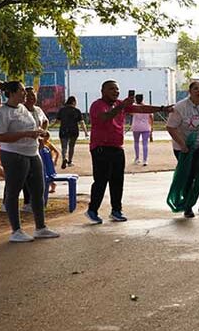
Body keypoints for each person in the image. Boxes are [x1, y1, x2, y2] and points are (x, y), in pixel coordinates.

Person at [86, 80, 170, 224]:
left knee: (117, 181)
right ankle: (92, 210)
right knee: (101, 181)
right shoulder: (97, 105)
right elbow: (105, 117)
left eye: (117, 89)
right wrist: (122, 106)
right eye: (111, 89)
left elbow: (141, 109)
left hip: (117, 147)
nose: (115, 92)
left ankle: (116, 210)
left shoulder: (120, 104)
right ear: (103, 91)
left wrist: (162, 108)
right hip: (100, 148)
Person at [0, 80, 59, 242]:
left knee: (38, 190)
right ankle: (16, 230)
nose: (25, 93)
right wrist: (26, 134)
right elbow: (0, 136)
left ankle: (40, 227)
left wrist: (39, 132)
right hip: (14, 154)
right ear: (12, 93)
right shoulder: (2, 113)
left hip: (33, 152)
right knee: (14, 192)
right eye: (21, 90)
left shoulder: (23, 109)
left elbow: (32, 127)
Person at [166, 80, 199, 218]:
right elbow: (170, 127)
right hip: (184, 147)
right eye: (195, 88)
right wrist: (183, 145)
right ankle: (187, 205)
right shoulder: (181, 107)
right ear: (189, 92)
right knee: (189, 174)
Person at [56, 96, 88, 169]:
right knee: (71, 146)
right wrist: (85, 132)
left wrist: (50, 126)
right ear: (73, 102)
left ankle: (64, 158)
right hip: (74, 131)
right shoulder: (77, 111)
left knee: (64, 147)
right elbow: (81, 122)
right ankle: (70, 161)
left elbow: (57, 121)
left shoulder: (62, 110)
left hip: (63, 130)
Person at [130, 94, 153, 166]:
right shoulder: (147, 107)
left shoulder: (134, 107)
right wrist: (151, 126)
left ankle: (137, 159)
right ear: (142, 99)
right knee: (145, 143)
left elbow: (130, 113)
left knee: (136, 142)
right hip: (146, 127)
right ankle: (145, 160)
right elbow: (151, 116)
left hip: (136, 127)